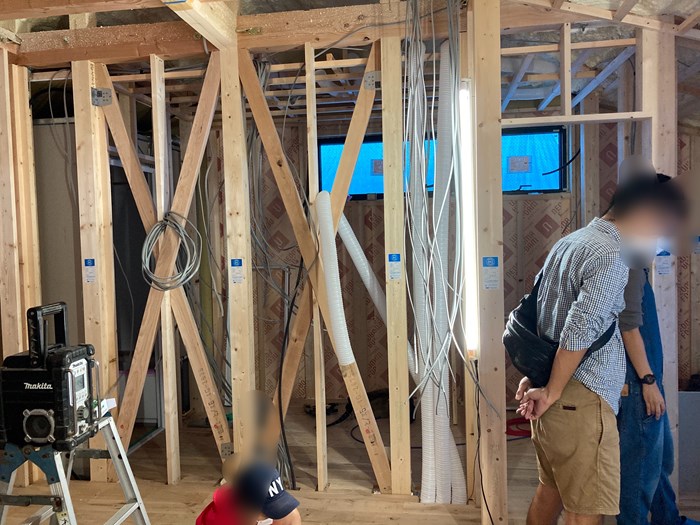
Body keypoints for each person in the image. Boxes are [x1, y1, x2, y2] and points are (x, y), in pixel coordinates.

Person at [515, 175, 688, 525]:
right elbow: (579, 330)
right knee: (585, 509)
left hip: (556, 393)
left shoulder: (570, 242)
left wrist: (537, 378)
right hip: (580, 399)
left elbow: (537, 313)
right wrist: (552, 390)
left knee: (551, 491)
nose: (658, 235)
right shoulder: (611, 254)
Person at [615, 158, 699, 525]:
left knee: (660, 460)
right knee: (639, 471)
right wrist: (647, 381)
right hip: (639, 382)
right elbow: (627, 324)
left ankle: (668, 519)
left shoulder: (639, 248)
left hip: (651, 378)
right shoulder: (628, 251)